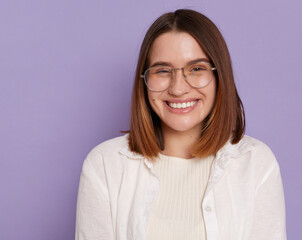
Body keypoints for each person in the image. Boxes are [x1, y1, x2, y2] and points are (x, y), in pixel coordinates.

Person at [75, 9, 286, 240]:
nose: (178, 88)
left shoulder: (256, 164)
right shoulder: (105, 165)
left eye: (196, 69)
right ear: (144, 81)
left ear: (219, 77)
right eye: (163, 70)